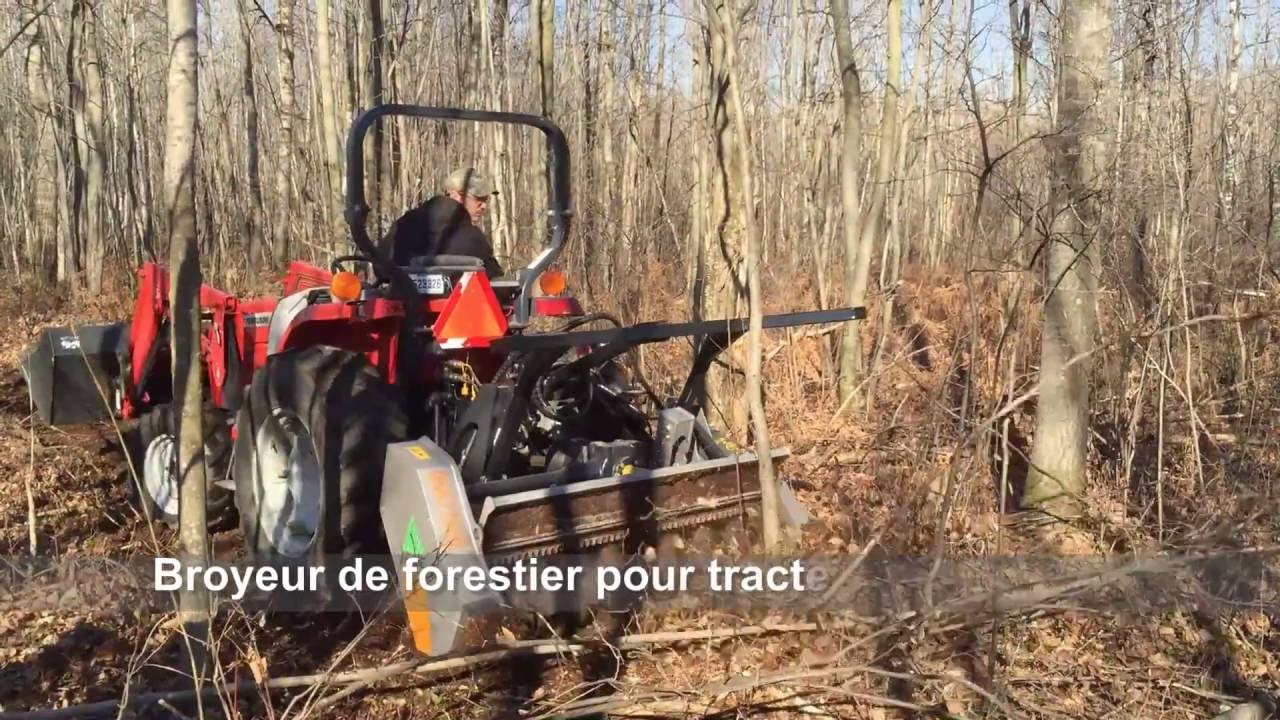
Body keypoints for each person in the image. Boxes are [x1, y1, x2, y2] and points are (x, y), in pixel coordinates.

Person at [380, 167, 503, 277]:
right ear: (455, 196)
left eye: (486, 200)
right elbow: (497, 282)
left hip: (405, 300)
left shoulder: (403, 226)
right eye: (478, 199)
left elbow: (379, 266)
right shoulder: (473, 239)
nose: (484, 206)